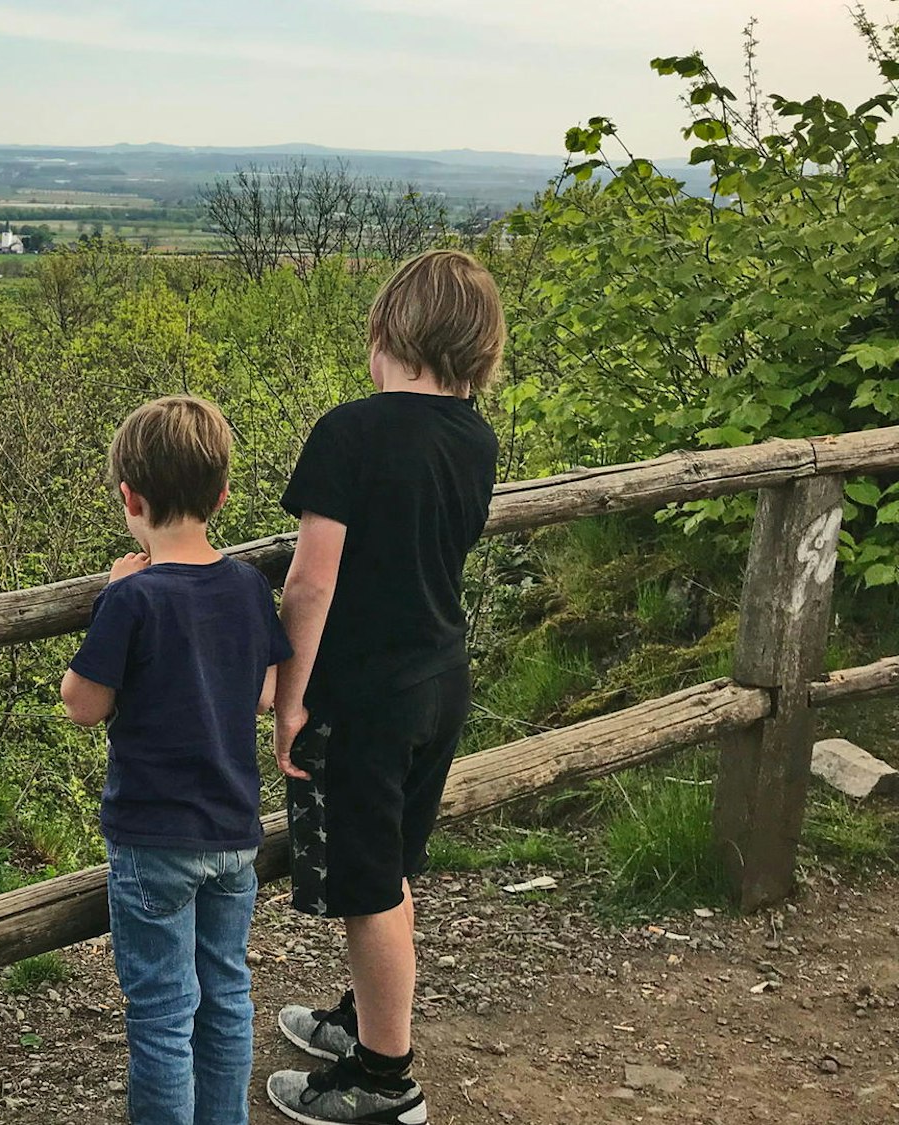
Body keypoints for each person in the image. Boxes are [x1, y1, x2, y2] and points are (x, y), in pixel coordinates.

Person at [264, 249, 503, 1125]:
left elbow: (310, 581)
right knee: (393, 863)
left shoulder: (350, 431)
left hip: (368, 695)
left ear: (390, 331)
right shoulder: (476, 439)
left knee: (371, 886)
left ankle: (383, 1078)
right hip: (442, 676)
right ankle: (361, 1021)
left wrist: (291, 698)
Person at [61, 395, 292, 1125]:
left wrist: (111, 594)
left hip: (154, 837)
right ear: (222, 496)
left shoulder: (134, 598)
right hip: (233, 832)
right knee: (225, 993)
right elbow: (264, 693)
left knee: (162, 1010)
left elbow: (83, 702)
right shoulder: (249, 586)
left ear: (129, 497)